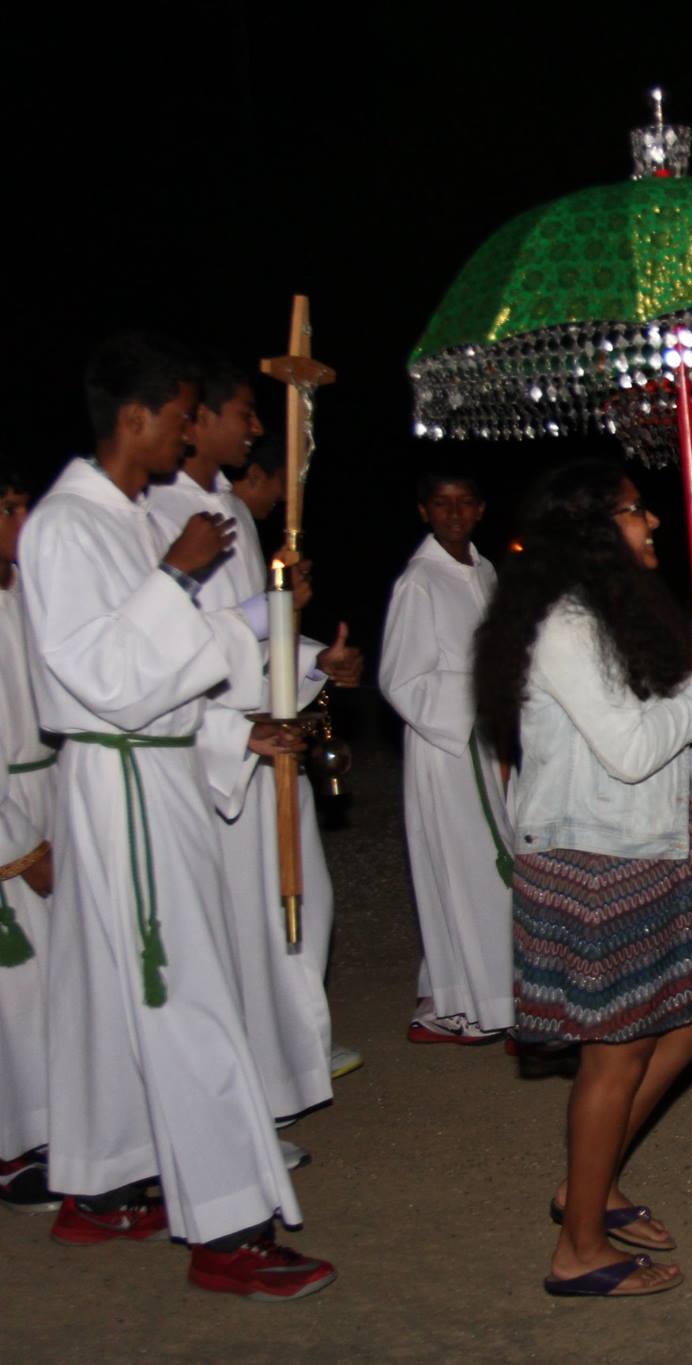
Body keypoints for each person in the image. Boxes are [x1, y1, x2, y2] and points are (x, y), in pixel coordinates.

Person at [20, 332, 334, 1297]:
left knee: (123, 993)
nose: (191, 429)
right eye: (182, 413)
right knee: (186, 996)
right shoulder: (65, 527)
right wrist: (175, 577)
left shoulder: (120, 517)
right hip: (123, 783)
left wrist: (245, 712)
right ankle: (230, 1229)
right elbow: (102, 681)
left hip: (157, 769)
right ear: (136, 418)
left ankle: (107, 1179)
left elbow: (172, 664)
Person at [472, 458, 692, 1298]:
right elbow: (628, 749)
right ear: (592, 527)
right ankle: (579, 1246)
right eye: (634, 511)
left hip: (646, 851)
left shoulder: (616, 619)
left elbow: (651, 744)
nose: (653, 522)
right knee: (613, 1057)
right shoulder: (564, 625)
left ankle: (586, 1184)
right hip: (594, 863)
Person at [147, 361, 365, 1131]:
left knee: (297, 914)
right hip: (217, 756)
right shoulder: (164, 515)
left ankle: (278, 1082)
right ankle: (242, 1113)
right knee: (242, 930)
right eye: (244, 410)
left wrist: (312, 657)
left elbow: (252, 640)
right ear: (196, 418)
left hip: (267, 743)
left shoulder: (224, 514)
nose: (258, 425)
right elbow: (167, 659)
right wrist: (236, 731)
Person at [379, 470, 514, 1043]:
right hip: (447, 745)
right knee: (470, 873)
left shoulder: (484, 571)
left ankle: (458, 990)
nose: (454, 513)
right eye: (442, 503)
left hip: (486, 742)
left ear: (481, 509)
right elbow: (401, 678)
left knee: (489, 868)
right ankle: (484, 1005)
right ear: (424, 510)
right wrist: (476, 699)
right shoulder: (420, 583)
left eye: (464, 502)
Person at [0, 462, 59, 1213]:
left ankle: (48, 1130)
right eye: (9, 507)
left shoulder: (25, 599)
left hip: (41, 792)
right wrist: (19, 845)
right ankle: (14, 1148)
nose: (23, 520)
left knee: (48, 986)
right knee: (16, 991)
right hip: (9, 816)